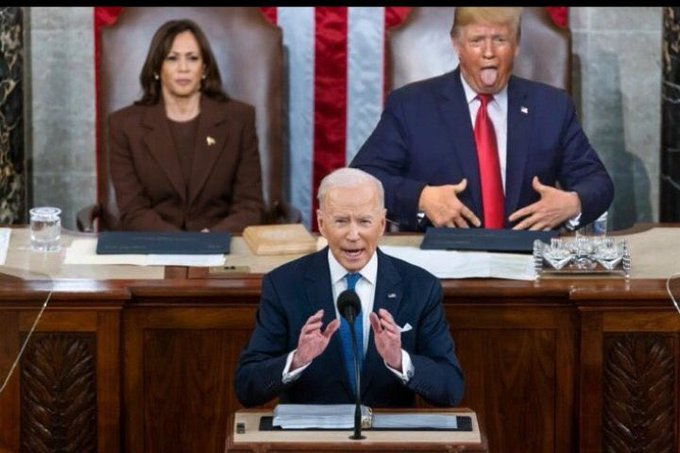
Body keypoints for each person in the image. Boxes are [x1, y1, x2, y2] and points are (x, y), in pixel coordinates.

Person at [351, 7, 614, 232]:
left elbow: (597, 182)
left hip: (527, 263)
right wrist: (421, 198)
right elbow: (362, 179)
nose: (489, 52)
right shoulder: (410, 105)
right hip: (441, 261)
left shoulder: (552, 107)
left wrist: (572, 203)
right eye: (477, 41)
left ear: (516, 45)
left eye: (500, 39)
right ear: (456, 46)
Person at [235, 167, 464, 408]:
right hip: (312, 441)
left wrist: (400, 361)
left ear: (381, 224)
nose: (353, 235)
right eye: (341, 221)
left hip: (388, 440)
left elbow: (450, 389)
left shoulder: (420, 287)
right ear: (322, 224)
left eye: (364, 221)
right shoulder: (283, 285)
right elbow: (247, 387)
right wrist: (297, 359)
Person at [109, 19, 264, 232]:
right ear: (157, 68)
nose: (183, 68)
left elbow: (249, 205)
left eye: (192, 58)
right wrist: (182, 244)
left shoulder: (239, 119)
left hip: (221, 245)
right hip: (153, 245)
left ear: (204, 68)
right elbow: (133, 209)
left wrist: (212, 238)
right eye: (172, 58)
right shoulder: (124, 125)